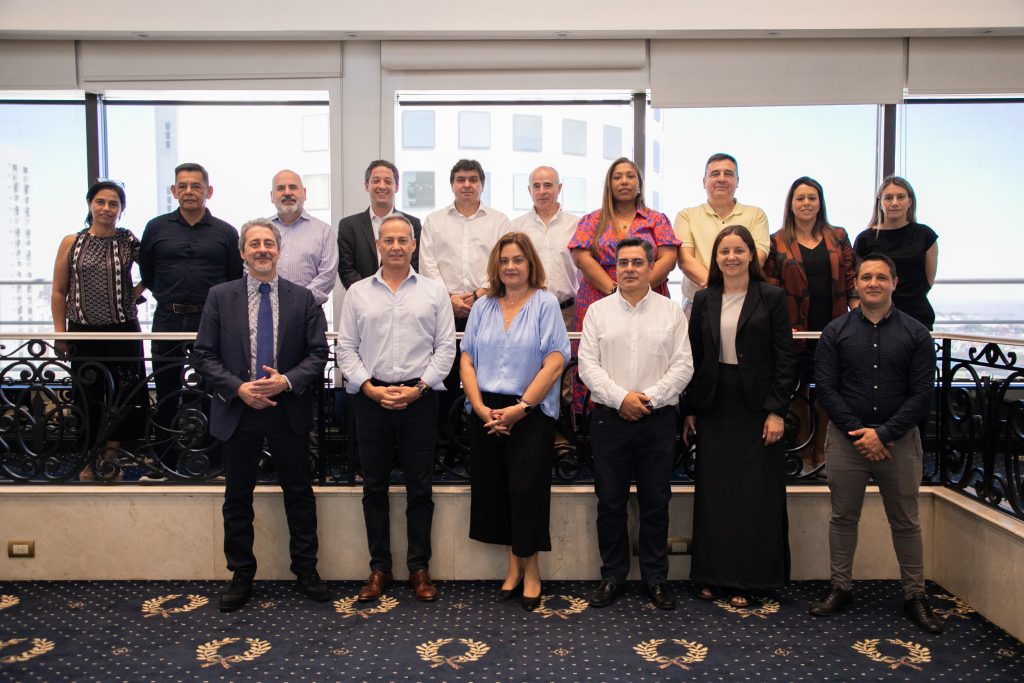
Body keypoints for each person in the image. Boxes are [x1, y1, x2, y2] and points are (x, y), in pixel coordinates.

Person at [192, 218, 330, 612]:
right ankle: (241, 573)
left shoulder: (302, 298)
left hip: (287, 410)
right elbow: (204, 354)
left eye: (269, 243)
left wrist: (286, 381)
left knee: (299, 494)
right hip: (240, 410)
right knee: (237, 496)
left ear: (279, 251)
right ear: (242, 252)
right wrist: (239, 388)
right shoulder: (221, 296)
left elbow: (318, 353)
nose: (262, 250)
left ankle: (306, 569)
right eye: (254, 244)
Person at [809, 253, 942, 634]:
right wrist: (860, 433)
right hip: (847, 441)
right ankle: (841, 588)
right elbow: (826, 389)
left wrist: (883, 434)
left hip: (898, 442)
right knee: (842, 517)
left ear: (894, 283)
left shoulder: (916, 333)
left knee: (906, 521)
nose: (873, 283)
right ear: (856, 283)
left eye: (881, 277)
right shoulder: (835, 331)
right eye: (866, 277)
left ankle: (915, 595)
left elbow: (921, 394)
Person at [337, 214, 456, 603]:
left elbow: (445, 348)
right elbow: (346, 349)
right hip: (371, 399)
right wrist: (369, 388)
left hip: (419, 398)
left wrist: (418, 389)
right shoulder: (358, 293)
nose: (395, 247)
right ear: (378, 245)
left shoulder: (433, 292)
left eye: (403, 240)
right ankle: (380, 568)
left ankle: (419, 568)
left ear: (414, 244)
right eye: (388, 240)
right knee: (373, 487)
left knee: (420, 486)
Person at [578, 238, 694, 611]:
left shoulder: (671, 312)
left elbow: (683, 366)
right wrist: (621, 399)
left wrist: (647, 400)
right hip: (609, 420)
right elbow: (587, 366)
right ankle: (612, 575)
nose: (629, 269)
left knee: (656, 502)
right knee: (610, 501)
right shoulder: (597, 312)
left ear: (650, 267)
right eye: (623, 262)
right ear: (615, 268)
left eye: (637, 262)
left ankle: (655, 578)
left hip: (656, 420)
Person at [683, 225, 796, 607]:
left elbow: (785, 359)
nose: (731, 257)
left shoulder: (772, 296)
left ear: (751, 255)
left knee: (754, 495)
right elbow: (695, 358)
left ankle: (748, 580)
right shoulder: (704, 299)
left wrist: (776, 411)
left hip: (757, 408)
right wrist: (691, 409)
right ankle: (712, 575)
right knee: (715, 495)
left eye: (738, 250)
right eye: (724, 251)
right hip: (715, 406)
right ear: (715, 258)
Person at [460, 232, 570, 612]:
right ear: (497, 265)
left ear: (530, 264)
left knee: (527, 491)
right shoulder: (482, 307)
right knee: (498, 489)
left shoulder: (545, 303)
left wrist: (521, 408)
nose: (511, 266)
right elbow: (467, 359)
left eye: (518, 260)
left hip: (531, 410)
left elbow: (555, 361)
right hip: (487, 410)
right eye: (505, 260)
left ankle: (532, 570)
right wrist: (478, 407)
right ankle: (512, 567)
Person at [139, 162, 242, 475]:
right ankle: (165, 461)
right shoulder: (156, 228)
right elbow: (148, 273)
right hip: (167, 319)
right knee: (166, 389)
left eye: (196, 186)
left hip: (210, 320)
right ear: (173, 191)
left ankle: (212, 460)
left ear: (208, 191)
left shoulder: (226, 232)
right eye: (182, 186)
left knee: (213, 390)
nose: (189, 191)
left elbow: (233, 277)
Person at [51, 180, 146, 481]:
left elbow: (156, 270)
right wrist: (60, 334)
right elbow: (59, 290)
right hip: (83, 333)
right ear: (90, 204)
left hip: (123, 332)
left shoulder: (128, 240)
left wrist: (135, 292)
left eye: (113, 203)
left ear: (121, 209)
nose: (106, 208)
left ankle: (111, 458)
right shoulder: (72, 242)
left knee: (123, 395)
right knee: (87, 396)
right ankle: (87, 460)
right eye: (100, 202)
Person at [568, 157, 679, 413]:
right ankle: (596, 417)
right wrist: (615, 291)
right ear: (609, 184)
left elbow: (669, 257)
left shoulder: (656, 219)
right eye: (617, 177)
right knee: (597, 359)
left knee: (649, 356)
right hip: (597, 297)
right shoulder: (592, 220)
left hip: (648, 298)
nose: (624, 181)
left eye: (630, 176)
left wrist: (637, 288)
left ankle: (646, 404)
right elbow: (581, 257)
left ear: (639, 184)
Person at [764, 177, 858, 473]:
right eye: (800, 198)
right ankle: (804, 454)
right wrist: (781, 326)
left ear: (820, 203)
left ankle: (824, 453)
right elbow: (771, 286)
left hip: (833, 329)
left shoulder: (838, 236)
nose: (806, 203)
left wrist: (858, 322)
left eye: (812, 198)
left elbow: (851, 280)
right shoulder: (776, 240)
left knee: (829, 394)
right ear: (790, 204)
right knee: (797, 393)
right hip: (794, 332)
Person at [419, 159, 510, 438]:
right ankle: (444, 442)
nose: (467, 185)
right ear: (452, 185)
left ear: (482, 184)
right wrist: (449, 299)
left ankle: (479, 439)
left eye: (473, 179)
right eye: (461, 179)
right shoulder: (434, 221)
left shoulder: (499, 221)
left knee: (484, 376)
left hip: (488, 309)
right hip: (443, 311)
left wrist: (476, 296)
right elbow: (427, 264)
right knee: (444, 377)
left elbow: (503, 262)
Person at [675, 153, 770, 311]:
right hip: (698, 304)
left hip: (745, 303)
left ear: (737, 181)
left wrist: (730, 290)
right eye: (714, 174)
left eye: (728, 174)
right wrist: (718, 288)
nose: (721, 179)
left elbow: (758, 257)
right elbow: (685, 260)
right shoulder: (686, 216)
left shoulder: (757, 215)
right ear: (704, 182)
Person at [854, 176, 938, 329]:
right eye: (888, 198)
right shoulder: (865, 239)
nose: (894, 203)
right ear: (880, 203)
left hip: (917, 315)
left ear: (910, 201)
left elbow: (928, 282)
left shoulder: (926, 236)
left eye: (900, 197)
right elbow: (860, 281)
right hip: (875, 317)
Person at [509, 166, 580, 330]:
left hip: (566, 313)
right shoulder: (516, 227)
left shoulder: (576, 225)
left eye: (548, 185)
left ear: (559, 188)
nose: (542, 191)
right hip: (525, 311)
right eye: (536, 186)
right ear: (529, 190)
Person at [337, 160, 422, 289]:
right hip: (362, 298)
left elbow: (415, 265)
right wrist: (370, 294)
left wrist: (394, 292)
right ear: (366, 186)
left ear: (396, 187)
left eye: (388, 181)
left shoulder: (412, 224)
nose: (382, 186)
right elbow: (346, 269)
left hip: (404, 295)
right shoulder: (348, 226)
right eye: (376, 181)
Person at [268, 169, 338, 307]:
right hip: (268, 310)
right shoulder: (261, 230)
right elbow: (249, 269)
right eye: (280, 188)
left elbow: (327, 276)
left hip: (309, 312)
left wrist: (299, 301)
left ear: (304, 193)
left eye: (293, 187)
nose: (287, 192)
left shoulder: (323, 231)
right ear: (271, 196)